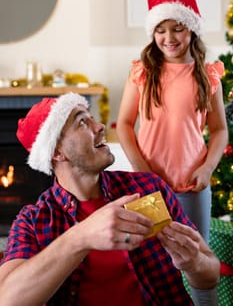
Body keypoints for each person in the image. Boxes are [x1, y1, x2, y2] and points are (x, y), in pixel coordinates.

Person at [0, 92, 219, 306]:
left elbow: (211, 274)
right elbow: (7, 298)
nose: (100, 126)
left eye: (92, 117)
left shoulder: (148, 188)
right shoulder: (33, 221)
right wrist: (80, 237)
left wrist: (194, 263)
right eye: (83, 122)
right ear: (57, 151)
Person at [117, 0, 228, 244]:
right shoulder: (142, 73)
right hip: (148, 188)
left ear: (192, 30)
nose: (169, 37)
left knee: (195, 253)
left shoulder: (208, 76)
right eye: (160, 30)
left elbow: (220, 130)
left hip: (192, 187)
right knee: (153, 258)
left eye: (178, 28)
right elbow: (124, 124)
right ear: (152, 33)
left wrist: (207, 169)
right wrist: (142, 171)